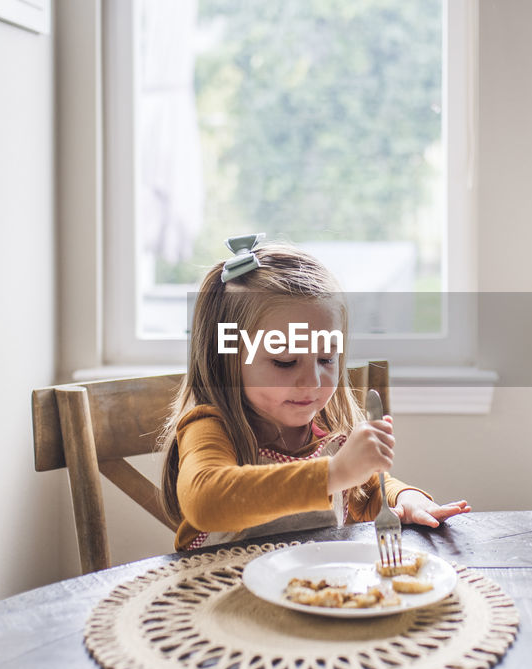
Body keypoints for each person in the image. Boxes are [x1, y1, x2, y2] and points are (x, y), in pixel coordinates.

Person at [160, 234, 471, 551]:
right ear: (226, 357)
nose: (311, 381)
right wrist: (334, 473)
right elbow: (206, 502)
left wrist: (406, 498)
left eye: (326, 359)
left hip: (309, 593)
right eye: (285, 361)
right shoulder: (209, 427)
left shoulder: (327, 430)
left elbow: (367, 488)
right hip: (219, 592)